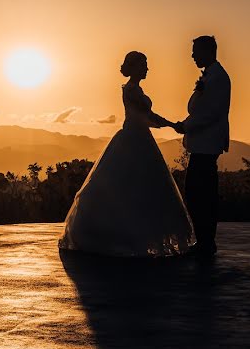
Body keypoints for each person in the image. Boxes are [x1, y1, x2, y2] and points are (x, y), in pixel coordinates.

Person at [58, 51, 194, 257]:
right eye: (144, 64)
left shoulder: (136, 89)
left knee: (142, 189)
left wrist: (167, 124)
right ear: (135, 67)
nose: (147, 68)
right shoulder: (130, 90)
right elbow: (146, 116)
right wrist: (172, 124)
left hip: (141, 139)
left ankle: (138, 238)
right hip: (133, 139)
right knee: (128, 187)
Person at [170, 35, 231, 260]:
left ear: (208, 51)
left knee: (199, 194)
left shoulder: (216, 78)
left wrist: (185, 126)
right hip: (202, 145)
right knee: (198, 194)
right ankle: (205, 241)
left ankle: (206, 242)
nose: (192, 55)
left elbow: (208, 114)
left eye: (195, 51)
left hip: (207, 144)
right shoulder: (211, 76)